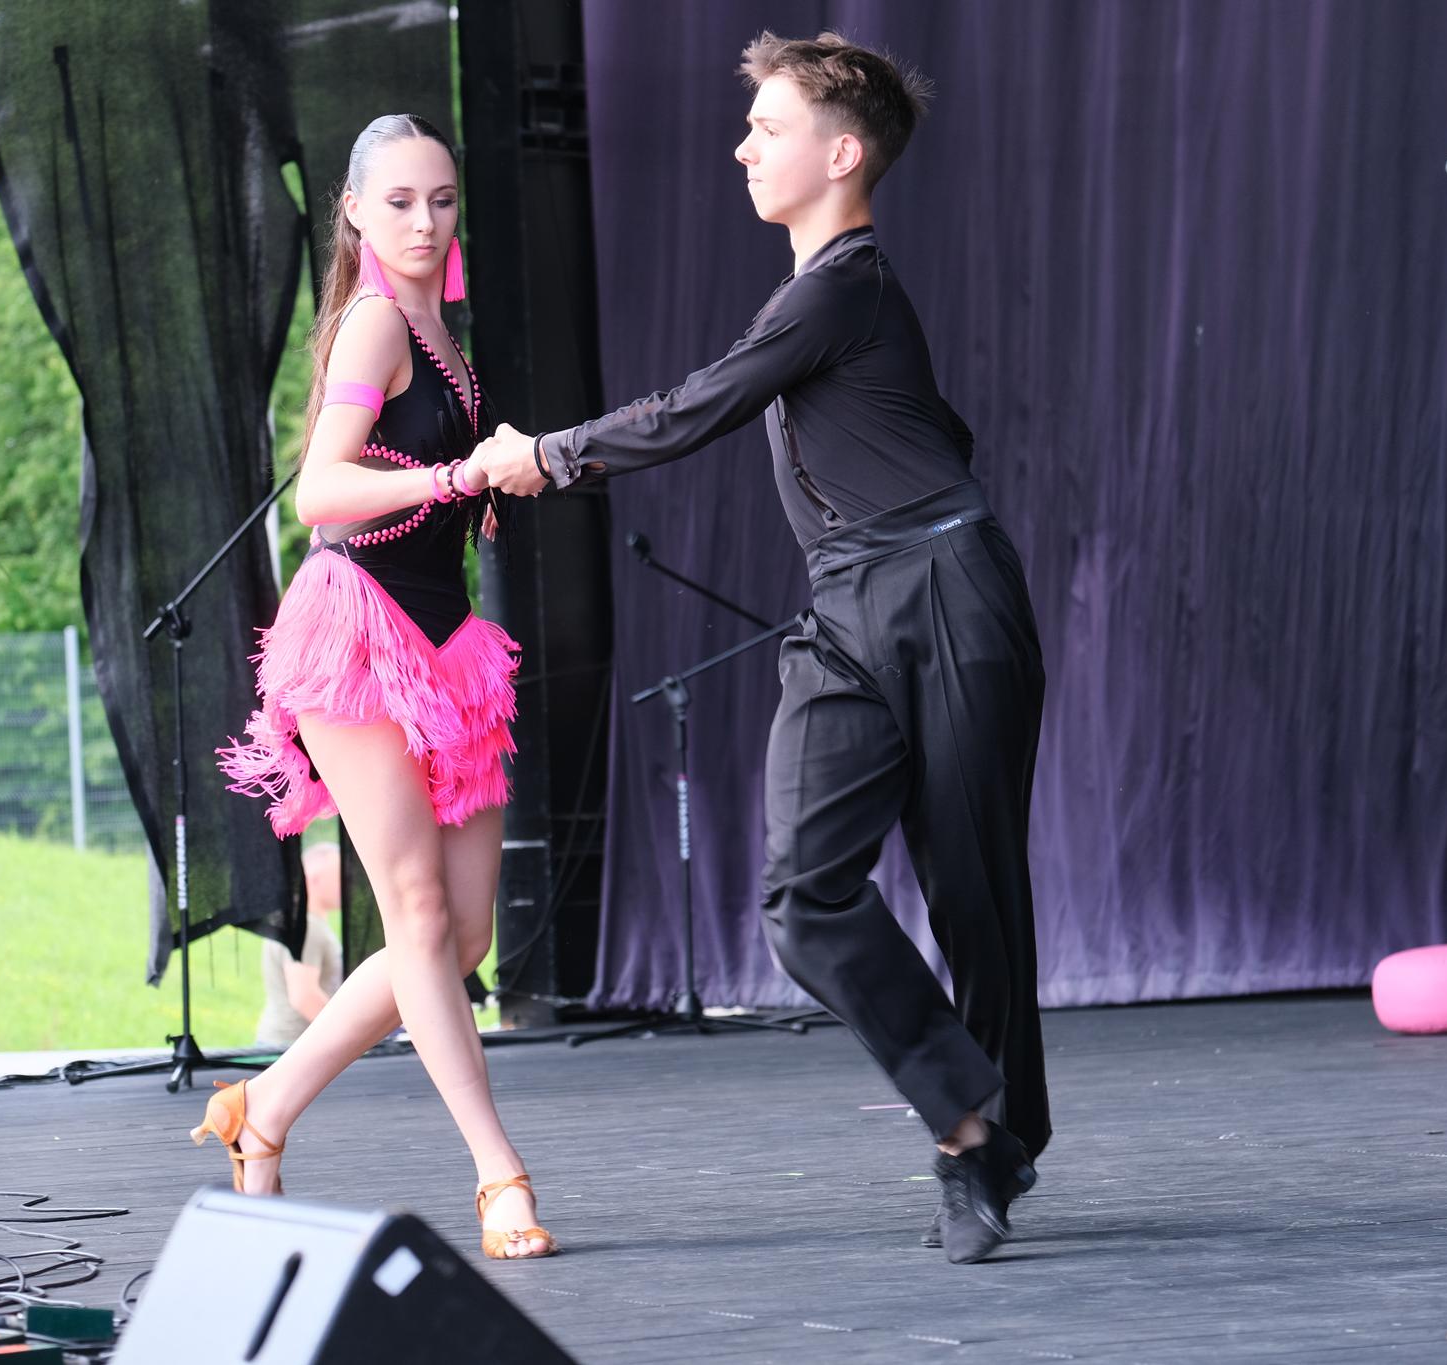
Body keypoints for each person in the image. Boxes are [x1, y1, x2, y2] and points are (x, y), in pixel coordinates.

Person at [470, 32, 1047, 1264]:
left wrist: (546, 455)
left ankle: (987, 1148)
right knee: (800, 890)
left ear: (840, 155)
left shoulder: (841, 287)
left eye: (767, 128)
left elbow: (697, 406)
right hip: (847, 605)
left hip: (942, 591)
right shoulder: (826, 300)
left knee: (971, 893)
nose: (741, 148)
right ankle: (971, 1115)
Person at [209, 114, 557, 1260]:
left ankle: (264, 1107)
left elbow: (410, 473)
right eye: (400, 201)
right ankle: (498, 1174)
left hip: (446, 640)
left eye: (441, 200)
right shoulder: (372, 322)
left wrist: (473, 491)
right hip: (357, 631)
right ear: (354, 211)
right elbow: (319, 489)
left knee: (456, 940)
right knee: (413, 914)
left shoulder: (440, 332)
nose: (425, 221)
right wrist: (454, 476)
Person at [252, 843, 347, 1052]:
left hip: (286, 1046)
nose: (346, 882)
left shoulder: (299, 921)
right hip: (290, 1048)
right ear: (313, 878)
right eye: (339, 876)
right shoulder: (307, 926)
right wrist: (350, 1035)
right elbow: (304, 996)